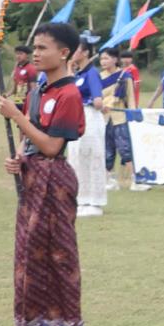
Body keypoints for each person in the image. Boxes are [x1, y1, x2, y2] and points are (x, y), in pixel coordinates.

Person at [0, 21, 87, 326]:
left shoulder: (69, 94)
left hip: (55, 180)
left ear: (63, 53)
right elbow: (31, 140)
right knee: (30, 255)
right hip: (33, 178)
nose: (35, 53)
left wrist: (16, 116)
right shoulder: (38, 91)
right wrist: (18, 159)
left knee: (59, 255)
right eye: (34, 47)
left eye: (42, 48)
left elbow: (51, 147)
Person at [67, 42, 108, 217]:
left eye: (76, 50)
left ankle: (96, 201)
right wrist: (69, 66)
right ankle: (82, 199)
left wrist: (96, 102)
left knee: (92, 156)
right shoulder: (78, 74)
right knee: (77, 158)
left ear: (85, 53)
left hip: (90, 117)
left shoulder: (92, 73)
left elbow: (98, 100)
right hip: (76, 117)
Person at [98, 48, 138, 192]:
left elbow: (130, 98)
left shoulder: (124, 76)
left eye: (106, 58)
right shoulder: (99, 77)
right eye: (101, 58)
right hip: (103, 117)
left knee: (125, 148)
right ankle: (110, 179)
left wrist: (133, 116)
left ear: (115, 59)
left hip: (119, 117)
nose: (103, 61)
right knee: (107, 149)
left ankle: (134, 179)